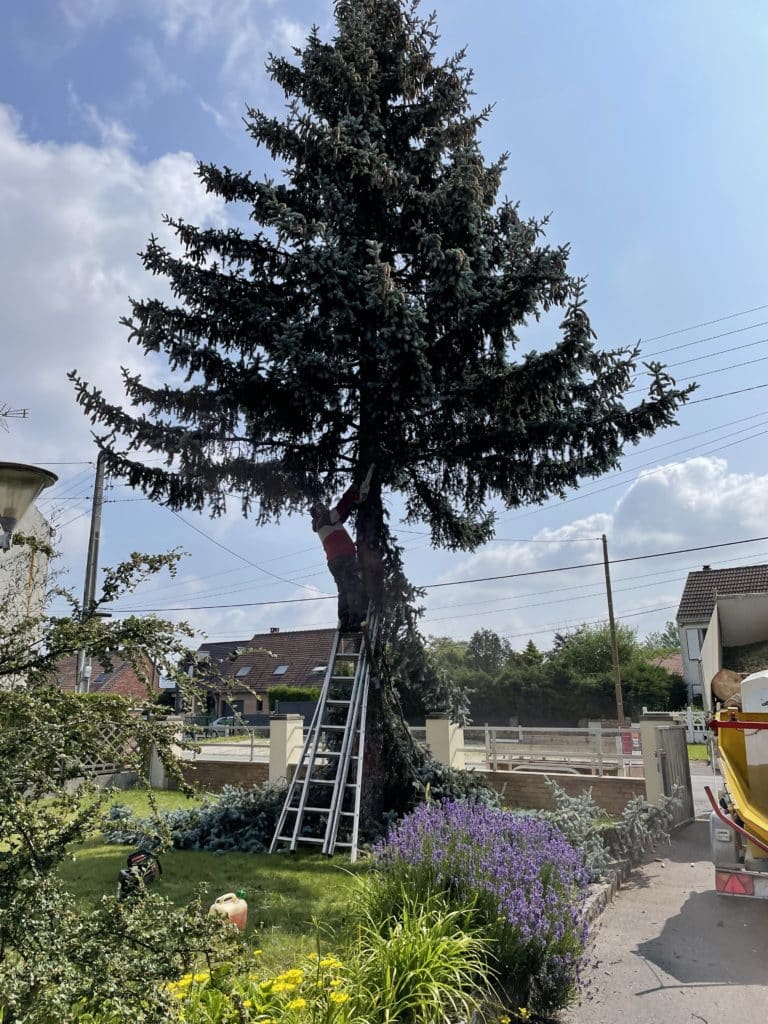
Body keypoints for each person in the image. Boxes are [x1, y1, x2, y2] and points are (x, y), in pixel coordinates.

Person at [311, 469, 373, 632]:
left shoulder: (323, 524)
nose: (324, 507)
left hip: (334, 561)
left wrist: (356, 500)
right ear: (317, 512)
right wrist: (353, 490)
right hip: (344, 557)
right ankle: (354, 621)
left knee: (343, 590)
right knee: (352, 587)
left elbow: (342, 514)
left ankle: (344, 621)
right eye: (321, 507)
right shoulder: (325, 518)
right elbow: (342, 506)